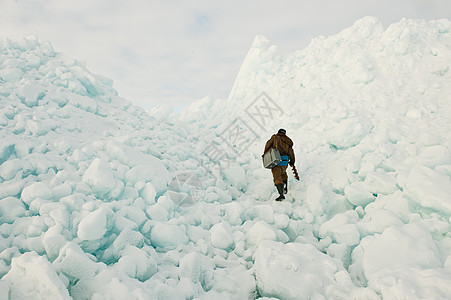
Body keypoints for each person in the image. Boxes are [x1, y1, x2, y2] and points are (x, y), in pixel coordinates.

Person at [263, 128, 295, 201]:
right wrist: (292, 162)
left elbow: (267, 145)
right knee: (283, 173)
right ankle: (285, 188)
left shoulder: (275, 138)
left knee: (277, 176)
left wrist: (265, 154)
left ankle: (281, 195)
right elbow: (291, 153)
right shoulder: (288, 142)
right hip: (285, 161)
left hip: (276, 159)